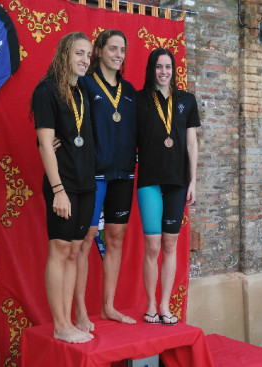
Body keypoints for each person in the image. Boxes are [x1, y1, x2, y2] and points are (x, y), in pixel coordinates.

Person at [31, 31, 95, 343]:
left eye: (88, 55)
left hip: (86, 183)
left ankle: (68, 321)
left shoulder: (82, 91)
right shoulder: (46, 90)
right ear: (65, 55)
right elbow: (45, 142)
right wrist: (58, 190)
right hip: (63, 184)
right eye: (79, 53)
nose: (85, 60)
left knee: (73, 250)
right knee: (59, 249)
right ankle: (59, 325)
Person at [74, 29, 138, 331]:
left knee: (115, 239)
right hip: (94, 174)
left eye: (122, 49)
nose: (118, 54)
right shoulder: (84, 84)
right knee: (86, 239)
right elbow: (67, 117)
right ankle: (80, 312)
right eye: (112, 48)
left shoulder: (129, 92)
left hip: (124, 173)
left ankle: (109, 306)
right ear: (98, 51)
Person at [136, 48, 199, 326]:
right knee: (152, 246)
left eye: (168, 67)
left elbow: (191, 143)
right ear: (152, 69)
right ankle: (150, 304)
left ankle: (165, 305)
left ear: (174, 70)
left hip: (177, 181)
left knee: (170, 244)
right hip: (149, 180)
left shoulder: (186, 100)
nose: (164, 72)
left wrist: (193, 180)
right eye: (159, 67)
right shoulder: (139, 100)